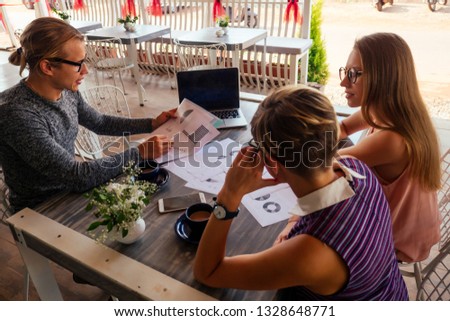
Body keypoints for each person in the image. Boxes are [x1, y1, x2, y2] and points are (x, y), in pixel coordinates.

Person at [193, 85, 408, 300]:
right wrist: (291, 227)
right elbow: (318, 205)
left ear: (271, 162)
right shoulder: (356, 169)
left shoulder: (309, 255)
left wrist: (229, 196)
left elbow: (208, 272)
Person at [0, 17, 176, 213]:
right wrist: (140, 153)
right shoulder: (16, 113)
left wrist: (151, 123)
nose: (86, 70)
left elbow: (100, 122)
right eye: (78, 64)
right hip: (40, 210)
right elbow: (78, 176)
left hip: (69, 191)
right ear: (47, 67)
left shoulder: (66, 90)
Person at [337, 32, 442, 263]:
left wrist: (294, 139)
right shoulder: (389, 109)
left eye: (353, 74)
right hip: (415, 226)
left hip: (398, 240)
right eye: (345, 72)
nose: (343, 82)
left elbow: (323, 165)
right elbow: (342, 127)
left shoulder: (392, 139)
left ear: (382, 78)